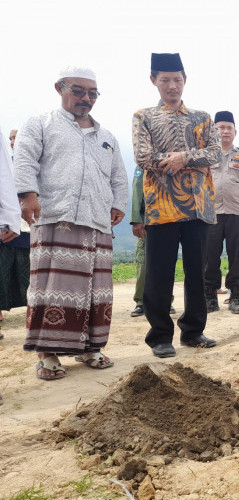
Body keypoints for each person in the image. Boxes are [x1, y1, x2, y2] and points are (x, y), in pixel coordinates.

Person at [13, 66, 129, 380]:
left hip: (97, 222)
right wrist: (27, 195)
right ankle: (47, 355)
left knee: (95, 290)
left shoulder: (107, 137)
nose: (86, 98)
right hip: (54, 216)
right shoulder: (40, 123)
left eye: (92, 93)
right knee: (51, 288)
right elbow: (24, 159)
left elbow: (119, 176)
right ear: (60, 87)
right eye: (78, 91)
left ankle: (91, 349)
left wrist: (118, 204)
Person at [132, 53, 221, 358]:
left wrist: (185, 157)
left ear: (185, 80)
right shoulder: (143, 116)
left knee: (197, 271)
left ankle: (193, 332)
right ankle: (160, 336)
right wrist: (177, 159)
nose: (172, 86)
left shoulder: (202, 117)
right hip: (161, 206)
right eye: (165, 80)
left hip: (198, 207)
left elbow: (215, 153)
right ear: (154, 80)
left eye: (177, 80)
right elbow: (143, 157)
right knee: (160, 273)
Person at [204, 111, 239, 314]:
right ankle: (210, 297)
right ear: (214, 130)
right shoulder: (206, 155)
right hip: (211, 214)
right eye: (220, 127)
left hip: (237, 214)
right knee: (210, 257)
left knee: (238, 256)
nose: (225, 131)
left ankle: (236, 297)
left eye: (229, 128)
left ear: (235, 132)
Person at [128, 164, 176, 318]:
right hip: (148, 220)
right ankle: (141, 302)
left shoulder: (172, 161)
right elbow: (136, 190)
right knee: (144, 262)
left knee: (167, 262)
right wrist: (136, 219)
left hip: (170, 218)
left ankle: (166, 301)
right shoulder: (143, 164)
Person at [0, 126, 29, 332]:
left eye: (16, 138)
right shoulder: (8, 159)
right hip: (8, 227)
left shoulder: (32, 164)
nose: (13, 142)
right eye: (11, 138)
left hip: (25, 230)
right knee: (3, 274)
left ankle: (33, 314)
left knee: (26, 276)